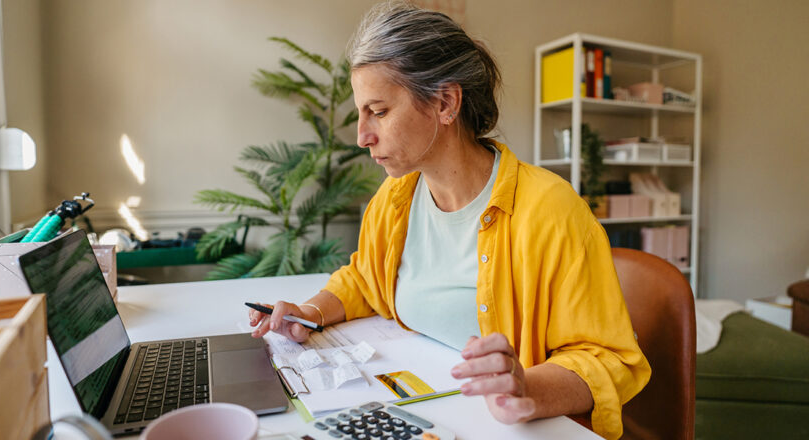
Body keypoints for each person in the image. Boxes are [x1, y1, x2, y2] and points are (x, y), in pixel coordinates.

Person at [248, 3, 650, 439]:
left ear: (445, 102)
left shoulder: (551, 211)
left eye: (378, 112)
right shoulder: (395, 198)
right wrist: (309, 313)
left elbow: (609, 360)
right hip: (426, 414)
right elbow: (365, 280)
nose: (363, 135)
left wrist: (526, 389)